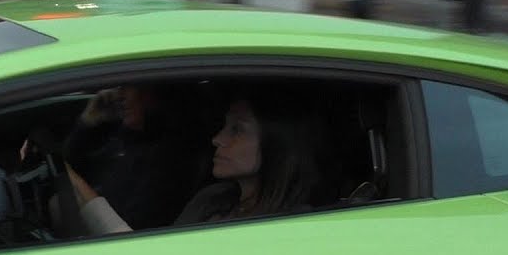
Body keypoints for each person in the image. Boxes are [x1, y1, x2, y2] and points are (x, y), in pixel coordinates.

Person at [72, 90, 323, 235]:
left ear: (277, 145)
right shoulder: (214, 197)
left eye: (236, 130)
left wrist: (76, 185)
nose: (217, 139)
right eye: (224, 127)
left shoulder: (289, 228)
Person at [64, 85, 213, 232]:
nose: (119, 95)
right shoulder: (128, 135)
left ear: (156, 95)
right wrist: (87, 123)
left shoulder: (172, 161)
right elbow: (76, 165)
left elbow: (126, 230)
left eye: (129, 87)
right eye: (119, 87)